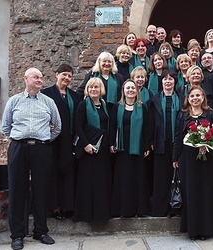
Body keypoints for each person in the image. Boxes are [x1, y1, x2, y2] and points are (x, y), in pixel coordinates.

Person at [1, 67, 61, 250]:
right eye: (36, 77)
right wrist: (21, 138)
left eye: (41, 77)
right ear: (25, 78)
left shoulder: (48, 102)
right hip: (19, 147)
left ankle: (41, 231)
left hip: (42, 149)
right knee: (17, 190)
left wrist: (42, 140)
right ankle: (17, 235)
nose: (40, 80)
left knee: (41, 189)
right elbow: (6, 127)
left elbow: (57, 127)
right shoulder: (14, 101)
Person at [172, 85, 213, 240]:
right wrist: (175, 158)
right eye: (192, 96)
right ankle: (192, 230)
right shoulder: (183, 115)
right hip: (187, 160)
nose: (195, 98)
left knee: (206, 192)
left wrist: (207, 145)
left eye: (198, 95)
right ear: (188, 98)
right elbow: (178, 137)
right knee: (191, 193)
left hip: (207, 159)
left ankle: (207, 230)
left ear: (203, 97)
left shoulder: (210, 113)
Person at [41, 64, 81, 220]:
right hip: (53, 141)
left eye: (70, 76)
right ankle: (54, 207)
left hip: (70, 141)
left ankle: (67, 206)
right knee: (54, 174)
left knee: (68, 173)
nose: (67, 78)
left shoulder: (75, 96)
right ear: (56, 74)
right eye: (64, 74)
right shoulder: (46, 94)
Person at [109, 79, 151, 217]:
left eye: (133, 88)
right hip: (122, 148)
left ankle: (138, 209)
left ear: (137, 90)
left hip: (137, 148)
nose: (131, 90)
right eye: (128, 88)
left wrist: (146, 146)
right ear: (123, 91)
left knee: (137, 178)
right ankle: (122, 209)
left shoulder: (142, 107)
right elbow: (112, 127)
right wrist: (111, 144)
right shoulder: (117, 107)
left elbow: (146, 128)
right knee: (123, 178)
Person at [73, 77, 111, 223]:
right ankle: (87, 214)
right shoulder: (83, 105)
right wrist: (86, 144)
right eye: (91, 88)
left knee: (101, 181)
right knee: (88, 182)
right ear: (87, 90)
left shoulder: (104, 105)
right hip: (88, 149)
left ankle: (100, 215)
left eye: (96, 87)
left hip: (102, 148)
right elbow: (78, 126)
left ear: (101, 89)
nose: (93, 90)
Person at [149, 70, 182, 217]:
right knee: (161, 177)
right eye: (165, 79)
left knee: (176, 176)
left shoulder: (181, 99)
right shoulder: (154, 100)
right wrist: (150, 140)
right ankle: (161, 209)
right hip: (160, 143)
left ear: (174, 82)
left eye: (170, 79)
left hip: (177, 143)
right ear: (161, 82)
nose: (168, 82)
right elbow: (150, 122)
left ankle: (175, 207)